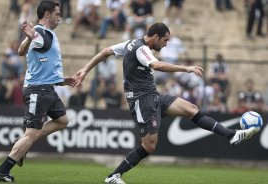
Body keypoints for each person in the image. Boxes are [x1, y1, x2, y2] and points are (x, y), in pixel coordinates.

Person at [73, 22, 258, 184]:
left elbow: (106, 51)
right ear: (155, 36)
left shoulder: (130, 44)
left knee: (191, 109)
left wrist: (85, 69)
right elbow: (158, 66)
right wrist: (186, 68)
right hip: (141, 100)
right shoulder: (141, 49)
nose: (166, 43)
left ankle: (231, 135)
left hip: (154, 95)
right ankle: (114, 176)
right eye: (165, 40)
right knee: (149, 146)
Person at [0, 1, 77, 182]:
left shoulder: (39, 33)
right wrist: (32, 37)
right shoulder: (41, 33)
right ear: (47, 14)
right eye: (56, 14)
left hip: (48, 88)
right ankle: (2, 170)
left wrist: (61, 80)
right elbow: (40, 43)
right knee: (31, 134)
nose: (59, 17)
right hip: (38, 90)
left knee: (62, 121)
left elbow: (22, 51)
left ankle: (21, 142)